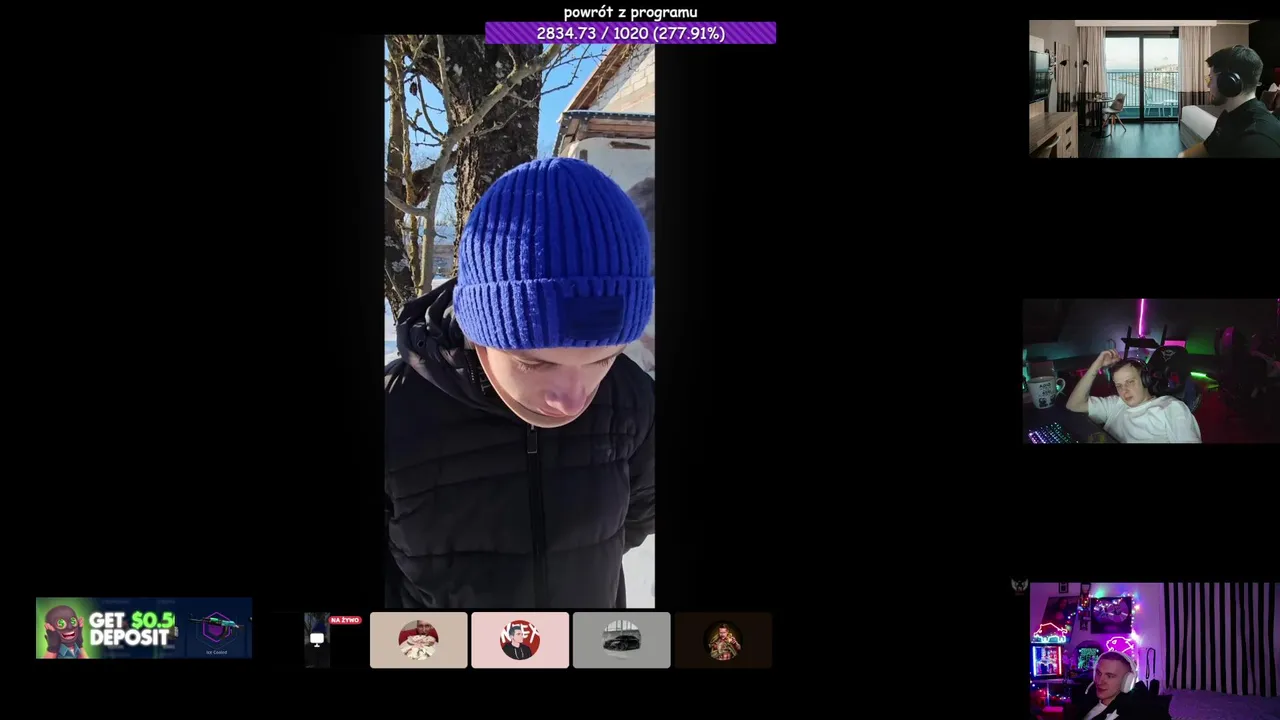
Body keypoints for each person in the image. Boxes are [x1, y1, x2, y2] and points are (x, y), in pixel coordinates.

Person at [384, 157, 656, 610]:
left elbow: (641, 511)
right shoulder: (395, 411)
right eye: (535, 363)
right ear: (478, 329)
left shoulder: (631, 397)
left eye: (603, 358)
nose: (572, 400)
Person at [1066, 350, 1201, 443]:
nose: (1124, 390)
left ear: (1145, 380)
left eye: (1130, 382)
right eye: (1119, 385)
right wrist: (1096, 366)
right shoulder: (1115, 404)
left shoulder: (1171, 407)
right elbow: (1074, 405)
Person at [1178, 45, 1280, 158]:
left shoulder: (1257, 141)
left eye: (1210, 79)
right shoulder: (1229, 115)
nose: (1208, 85)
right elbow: (1208, 147)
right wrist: (1182, 155)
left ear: (1228, 82)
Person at [1077, 652, 1168, 720]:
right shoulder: (1089, 698)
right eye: (1098, 673)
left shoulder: (1136, 713)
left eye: (1110, 676)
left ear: (1127, 681)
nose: (1099, 681)